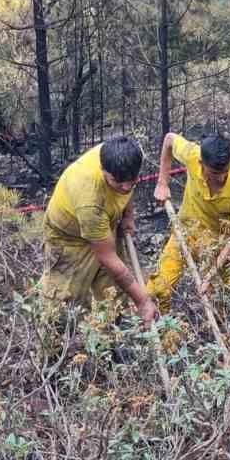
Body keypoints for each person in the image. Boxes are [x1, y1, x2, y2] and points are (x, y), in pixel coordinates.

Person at [40, 135, 158, 326]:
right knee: (61, 305)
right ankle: (53, 353)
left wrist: (128, 216)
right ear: (104, 171)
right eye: (118, 182)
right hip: (69, 238)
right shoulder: (90, 197)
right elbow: (107, 257)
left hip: (103, 226)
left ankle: (110, 345)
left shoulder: (125, 157)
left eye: (132, 181)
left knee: (113, 294)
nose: (127, 187)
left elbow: (127, 188)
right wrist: (143, 301)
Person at [150, 131, 230, 311]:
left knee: (219, 297)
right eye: (214, 173)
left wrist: (211, 274)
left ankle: (222, 328)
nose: (221, 178)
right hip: (186, 231)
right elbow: (169, 139)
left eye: (225, 172)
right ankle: (162, 331)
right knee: (160, 288)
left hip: (217, 245)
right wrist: (162, 182)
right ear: (201, 163)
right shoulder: (192, 154)